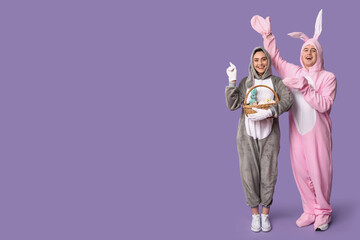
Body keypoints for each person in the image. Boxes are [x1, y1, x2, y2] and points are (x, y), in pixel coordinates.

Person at [251, 10, 337, 231]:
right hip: (297, 131)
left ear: (319, 54)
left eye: (312, 50)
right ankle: (310, 210)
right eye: (305, 49)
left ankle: (323, 212)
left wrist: (306, 87)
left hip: (317, 134)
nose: (308, 52)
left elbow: (324, 105)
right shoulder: (295, 70)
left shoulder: (328, 77)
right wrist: (268, 37)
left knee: (319, 171)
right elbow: (276, 59)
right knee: (300, 171)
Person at [225, 47, 293, 232]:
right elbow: (232, 105)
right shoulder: (247, 82)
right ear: (252, 62)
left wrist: (270, 111)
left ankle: (265, 215)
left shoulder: (276, 82)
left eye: (263, 59)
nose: (260, 63)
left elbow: (288, 99)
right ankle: (255, 215)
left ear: (268, 61)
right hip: (247, 135)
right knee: (248, 174)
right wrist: (232, 81)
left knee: (269, 174)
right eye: (256, 60)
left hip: (269, 135)